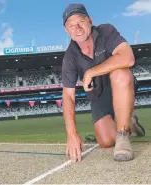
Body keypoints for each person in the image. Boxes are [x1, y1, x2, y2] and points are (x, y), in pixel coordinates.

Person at [61, 3, 145, 162]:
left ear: (90, 20)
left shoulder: (106, 31)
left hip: (120, 85)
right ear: (66, 30)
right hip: (98, 96)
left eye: (81, 22)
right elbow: (68, 96)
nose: (77, 28)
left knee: (119, 73)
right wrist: (72, 134)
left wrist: (91, 71)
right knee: (105, 141)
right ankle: (130, 121)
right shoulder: (69, 56)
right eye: (71, 26)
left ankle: (122, 134)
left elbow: (128, 57)